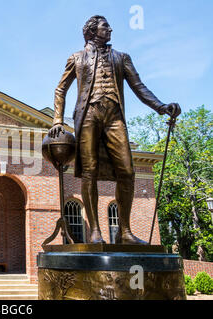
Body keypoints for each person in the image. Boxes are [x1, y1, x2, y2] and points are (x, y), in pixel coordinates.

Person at [49, 15, 181, 244]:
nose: (110, 29)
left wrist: (160, 106)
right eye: (104, 26)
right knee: (89, 172)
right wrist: (57, 121)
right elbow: (60, 89)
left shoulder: (122, 58)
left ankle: (125, 232)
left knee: (127, 172)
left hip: (114, 117)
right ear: (91, 31)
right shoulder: (76, 58)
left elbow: (139, 87)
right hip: (88, 115)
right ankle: (95, 232)